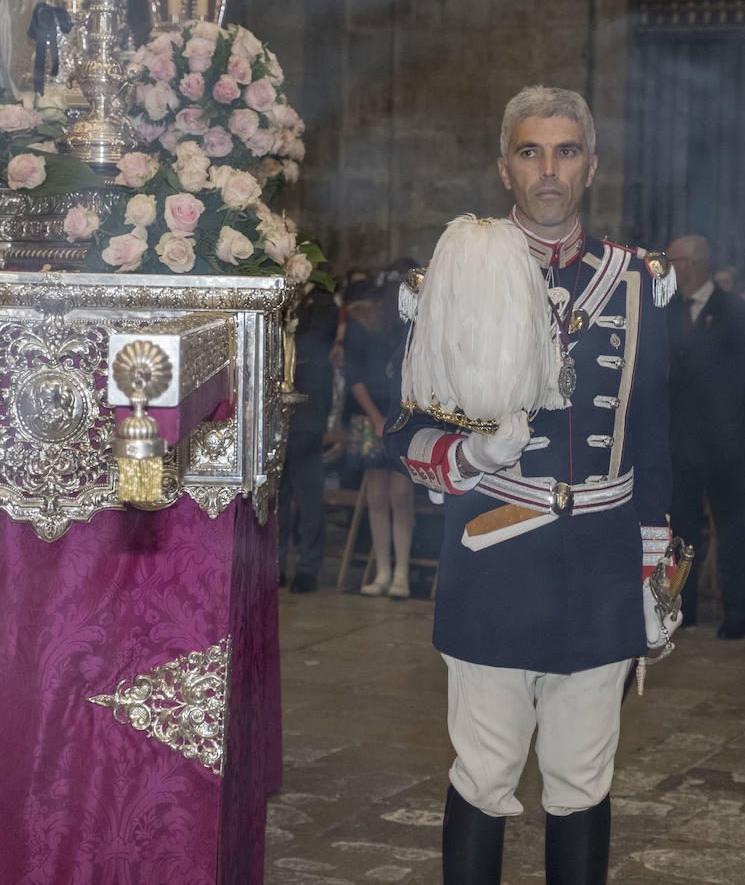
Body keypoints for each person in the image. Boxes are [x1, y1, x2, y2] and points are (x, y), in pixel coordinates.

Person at [388, 86, 672, 884]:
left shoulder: (639, 282)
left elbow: (652, 440)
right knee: (484, 775)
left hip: (601, 567)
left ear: (591, 167)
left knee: (583, 783)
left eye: (566, 151)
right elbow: (403, 434)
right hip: (495, 560)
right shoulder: (450, 277)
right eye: (530, 152)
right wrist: (469, 461)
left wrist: (654, 568)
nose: (549, 170)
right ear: (504, 169)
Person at [666, 234, 745, 638]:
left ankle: (738, 611)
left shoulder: (733, 311)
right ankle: (681, 607)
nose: (667, 268)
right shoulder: (664, 309)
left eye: (673, 261)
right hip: (677, 442)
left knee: (733, 528)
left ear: (693, 264)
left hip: (722, 441)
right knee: (681, 530)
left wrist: (732, 425)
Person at [346, 263, 417, 598]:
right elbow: (353, 375)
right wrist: (375, 417)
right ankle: (383, 571)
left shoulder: (414, 323)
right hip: (370, 415)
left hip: (405, 415)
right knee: (376, 495)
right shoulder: (364, 321)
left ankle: (402, 571)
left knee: (401, 495)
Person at [277, 284, 340, 593]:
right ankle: (274, 565)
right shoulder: (284, 300)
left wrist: (283, 350)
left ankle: (308, 567)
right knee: (278, 495)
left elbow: (310, 347)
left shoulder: (323, 304)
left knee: (309, 496)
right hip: (277, 409)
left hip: (308, 409)